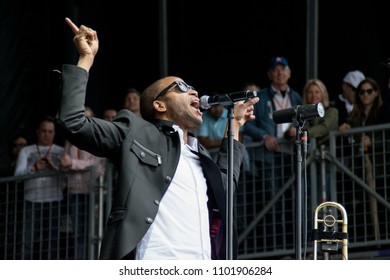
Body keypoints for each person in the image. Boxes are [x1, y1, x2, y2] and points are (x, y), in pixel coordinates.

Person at [57, 17, 258, 260]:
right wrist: (85, 59)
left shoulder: (199, 153)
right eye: (182, 87)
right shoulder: (135, 132)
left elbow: (225, 189)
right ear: (159, 104)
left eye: (192, 86)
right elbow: (73, 122)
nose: (194, 90)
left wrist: (235, 124)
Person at [244, 56, 302, 250]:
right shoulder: (260, 97)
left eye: (283, 69)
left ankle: (295, 248)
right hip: (270, 157)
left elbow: (306, 121)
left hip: (292, 155)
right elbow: (247, 124)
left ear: (289, 72)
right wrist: (264, 136)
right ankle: (276, 251)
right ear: (269, 74)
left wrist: (297, 130)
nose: (280, 72)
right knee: (272, 202)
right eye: (275, 69)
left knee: (293, 201)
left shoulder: (296, 97)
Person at [14, 116, 64, 259]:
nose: (46, 134)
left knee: (51, 241)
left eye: (50, 131)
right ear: (37, 132)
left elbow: (68, 178)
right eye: (43, 131)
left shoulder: (61, 151)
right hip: (32, 200)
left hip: (54, 200)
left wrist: (55, 168)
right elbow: (17, 176)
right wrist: (34, 167)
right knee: (26, 239)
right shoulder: (26, 151)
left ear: (54, 133)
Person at [60, 107, 106, 259]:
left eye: (87, 118)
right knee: (78, 233)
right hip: (74, 192)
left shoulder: (97, 139)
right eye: (81, 118)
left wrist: (72, 163)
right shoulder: (69, 140)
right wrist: (65, 163)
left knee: (93, 232)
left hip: (93, 193)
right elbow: (64, 161)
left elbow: (95, 164)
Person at [285, 79, 338, 202]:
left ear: (323, 94)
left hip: (326, 164)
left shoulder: (332, 111)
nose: (313, 95)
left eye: (317, 92)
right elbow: (291, 130)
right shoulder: (303, 116)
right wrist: (290, 132)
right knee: (305, 203)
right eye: (310, 92)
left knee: (324, 202)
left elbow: (323, 129)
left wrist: (303, 133)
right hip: (306, 165)